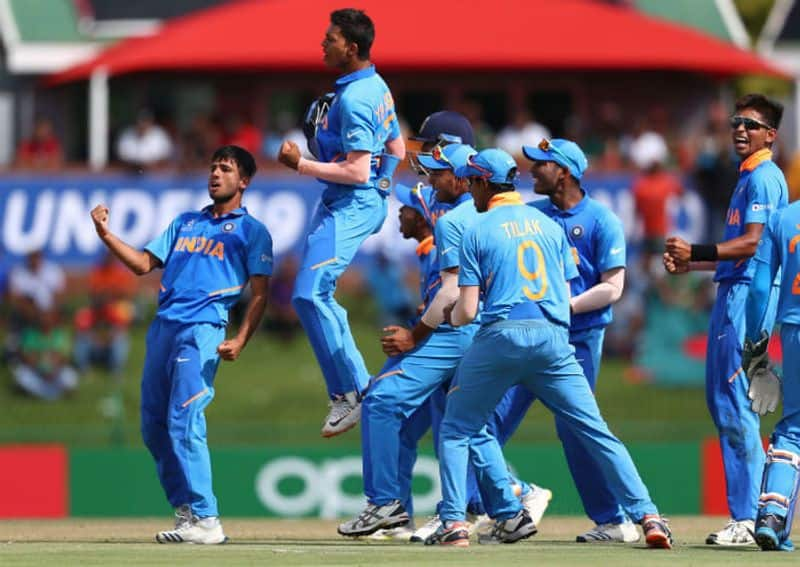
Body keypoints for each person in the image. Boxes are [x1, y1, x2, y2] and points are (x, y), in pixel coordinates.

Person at [426, 148, 672, 549]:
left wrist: (450, 319)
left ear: (485, 184)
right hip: (554, 339)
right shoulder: (547, 225)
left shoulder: (477, 230)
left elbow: (468, 310)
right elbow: (563, 288)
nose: (470, 190)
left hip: (502, 336)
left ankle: (454, 523)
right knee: (596, 432)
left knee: (457, 428)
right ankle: (648, 516)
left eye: (472, 182)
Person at [90, 145, 273, 545]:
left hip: (203, 329)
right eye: (213, 166)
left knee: (184, 421)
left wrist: (240, 338)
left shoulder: (251, 230)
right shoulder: (185, 221)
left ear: (243, 181)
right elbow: (141, 264)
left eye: (225, 169)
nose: (215, 174)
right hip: (163, 328)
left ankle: (208, 520)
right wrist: (105, 234)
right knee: (153, 427)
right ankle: (187, 514)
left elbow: (260, 292)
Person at [664, 93, 789, 546]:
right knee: (724, 402)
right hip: (733, 291)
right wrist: (694, 265)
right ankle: (755, 515)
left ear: (770, 135)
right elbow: (741, 250)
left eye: (751, 125)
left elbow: (756, 245)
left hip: (748, 299)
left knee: (736, 405)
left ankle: (751, 516)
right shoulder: (746, 178)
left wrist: (696, 251)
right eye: (736, 122)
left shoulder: (764, 178)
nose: (740, 129)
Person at [277, 8, 405, 437]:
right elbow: (398, 149)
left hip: (350, 201)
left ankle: (351, 392)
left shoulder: (355, 99)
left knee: (310, 293)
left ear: (351, 47)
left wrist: (302, 164)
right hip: (347, 201)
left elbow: (356, 171)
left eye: (329, 38)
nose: (322, 43)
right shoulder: (374, 83)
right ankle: (351, 389)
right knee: (310, 296)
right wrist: (383, 190)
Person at [741, 198, 800, 552]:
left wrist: (756, 351)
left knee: (794, 430)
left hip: (796, 329)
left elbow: (760, 290)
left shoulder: (784, 217)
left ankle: (772, 515)